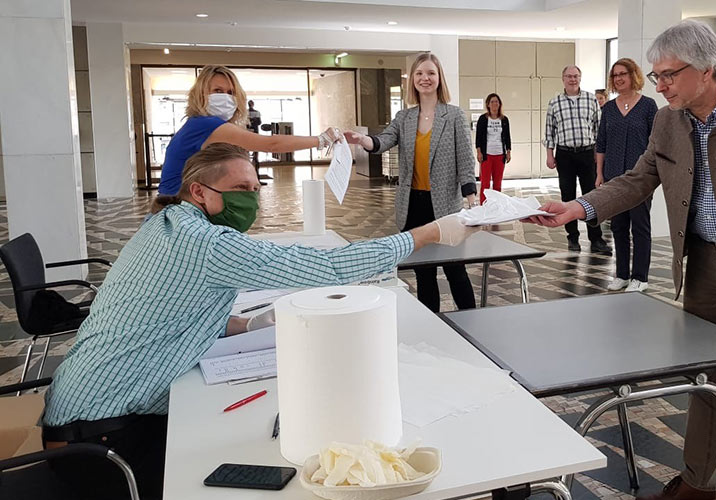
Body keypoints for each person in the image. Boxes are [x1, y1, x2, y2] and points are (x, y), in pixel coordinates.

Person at [41, 144, 478, 500]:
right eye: (238, 188)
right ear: (199, 192)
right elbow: (329, 267)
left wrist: (244, 326)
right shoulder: (205, 243)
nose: (250, 197)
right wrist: (430, 233)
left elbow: (174, 310)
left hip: (86, 414)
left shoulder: (165, 224)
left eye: (254, 186)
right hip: (101, 445)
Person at [527, 20, 716, 500]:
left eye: (668, 75)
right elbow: (638, 180)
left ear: (707, 69)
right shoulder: (668, 121)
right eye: (656, 75)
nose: (659, 85)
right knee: (704, 381)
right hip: (703, 266)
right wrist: (579, 209)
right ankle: (699, 483)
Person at [344, 53, 478, 313]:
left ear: (439, 78)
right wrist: (363, 141)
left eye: (430, 73)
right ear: (412, 80)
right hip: (413, 206)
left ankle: (470, 320)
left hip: (445, 206)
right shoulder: (404, 117)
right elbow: (383, 140)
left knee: (455, 269)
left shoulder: (453, 116)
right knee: (423, 272)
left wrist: (471, 196)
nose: (424, 79)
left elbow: (465, 159)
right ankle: (431, 322)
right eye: (419, 74)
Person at [157, 65, 340, 197]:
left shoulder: (199, 124)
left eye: (231, 92)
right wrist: (322, 139)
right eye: (218, 91)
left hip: (179, 203)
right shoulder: (205, 125)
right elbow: (271, 144)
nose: (226, 97)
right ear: (201, 94)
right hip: (175, 206)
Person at [595, 58, 658, 292]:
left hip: (641, 178)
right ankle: (621, 274)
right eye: (615, 75)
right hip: (613, 177)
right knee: (618, 227)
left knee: (640, 226)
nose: (619, 78)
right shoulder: (609, 109)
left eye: (623, 74)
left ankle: (640, 277)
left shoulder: (649, 106)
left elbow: (656, 142)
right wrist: (599, 174)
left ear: (634, 76)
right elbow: (601, 143)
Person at [544, 65, 611, 254]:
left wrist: (600, 157)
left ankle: (596, 238)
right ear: (563, 78)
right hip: (564, 155)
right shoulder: (554, 102)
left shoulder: (591, 99)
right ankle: (572, 238)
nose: (572, 79)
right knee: (567, 196)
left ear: (580, 78)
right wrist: (549, 155)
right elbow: (549, 131)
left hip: (587, 153)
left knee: (591, 196)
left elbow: (599, 130)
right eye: (569, 76)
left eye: (576, 76)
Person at [475, 93, 511, 204]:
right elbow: (478, 137)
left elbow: (508, 137)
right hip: (487, 155)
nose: (495, 104)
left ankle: (496, 206)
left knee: (497, 183)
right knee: (485, 183)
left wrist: (508, 151)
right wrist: (479, 152)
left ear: (499, 104)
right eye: (492, 102)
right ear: (488, 104)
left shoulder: (504, 119)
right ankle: (484, 206)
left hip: (500, 155)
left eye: (497, 102)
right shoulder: (483, 119)